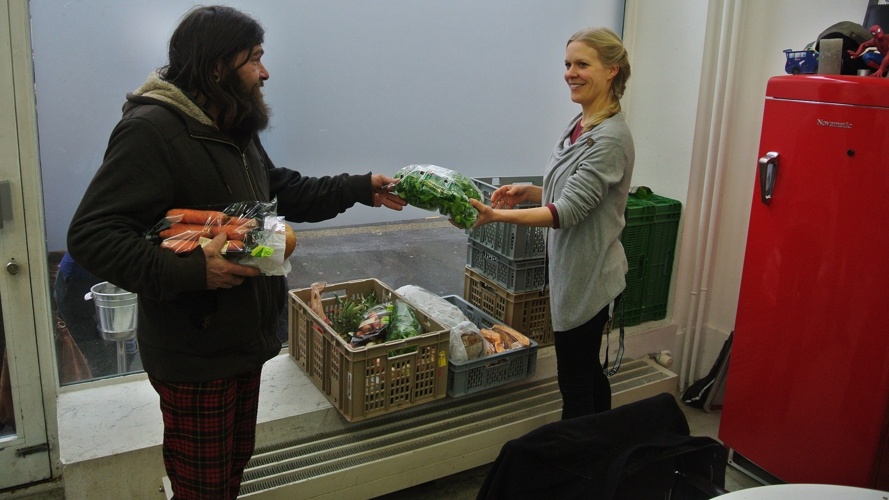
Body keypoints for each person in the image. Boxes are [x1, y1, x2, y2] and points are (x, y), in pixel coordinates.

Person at [66, 6, 406, 498]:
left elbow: (276, 189)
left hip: (241, 342)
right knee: (203, 488)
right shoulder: (153, 130)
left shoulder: (228, 123)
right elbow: (93, 234)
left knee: (229, 476)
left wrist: (357, 187)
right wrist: (191, 270)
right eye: (255, 59)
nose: (264, 73)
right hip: (196, 352)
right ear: (217, 67)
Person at [470, 27, 633, 420]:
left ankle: (579, 462)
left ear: (611, 70)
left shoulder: (609, 138)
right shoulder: (581, 123)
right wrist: (530, 191)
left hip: (589, 276)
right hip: (571, 270)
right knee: (587, 371)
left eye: (582, 64)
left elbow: (567, 212)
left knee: (574, 382)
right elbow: (572, 192)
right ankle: (602, 445)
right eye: (567, 64)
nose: (570, 73)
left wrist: (496, 216)